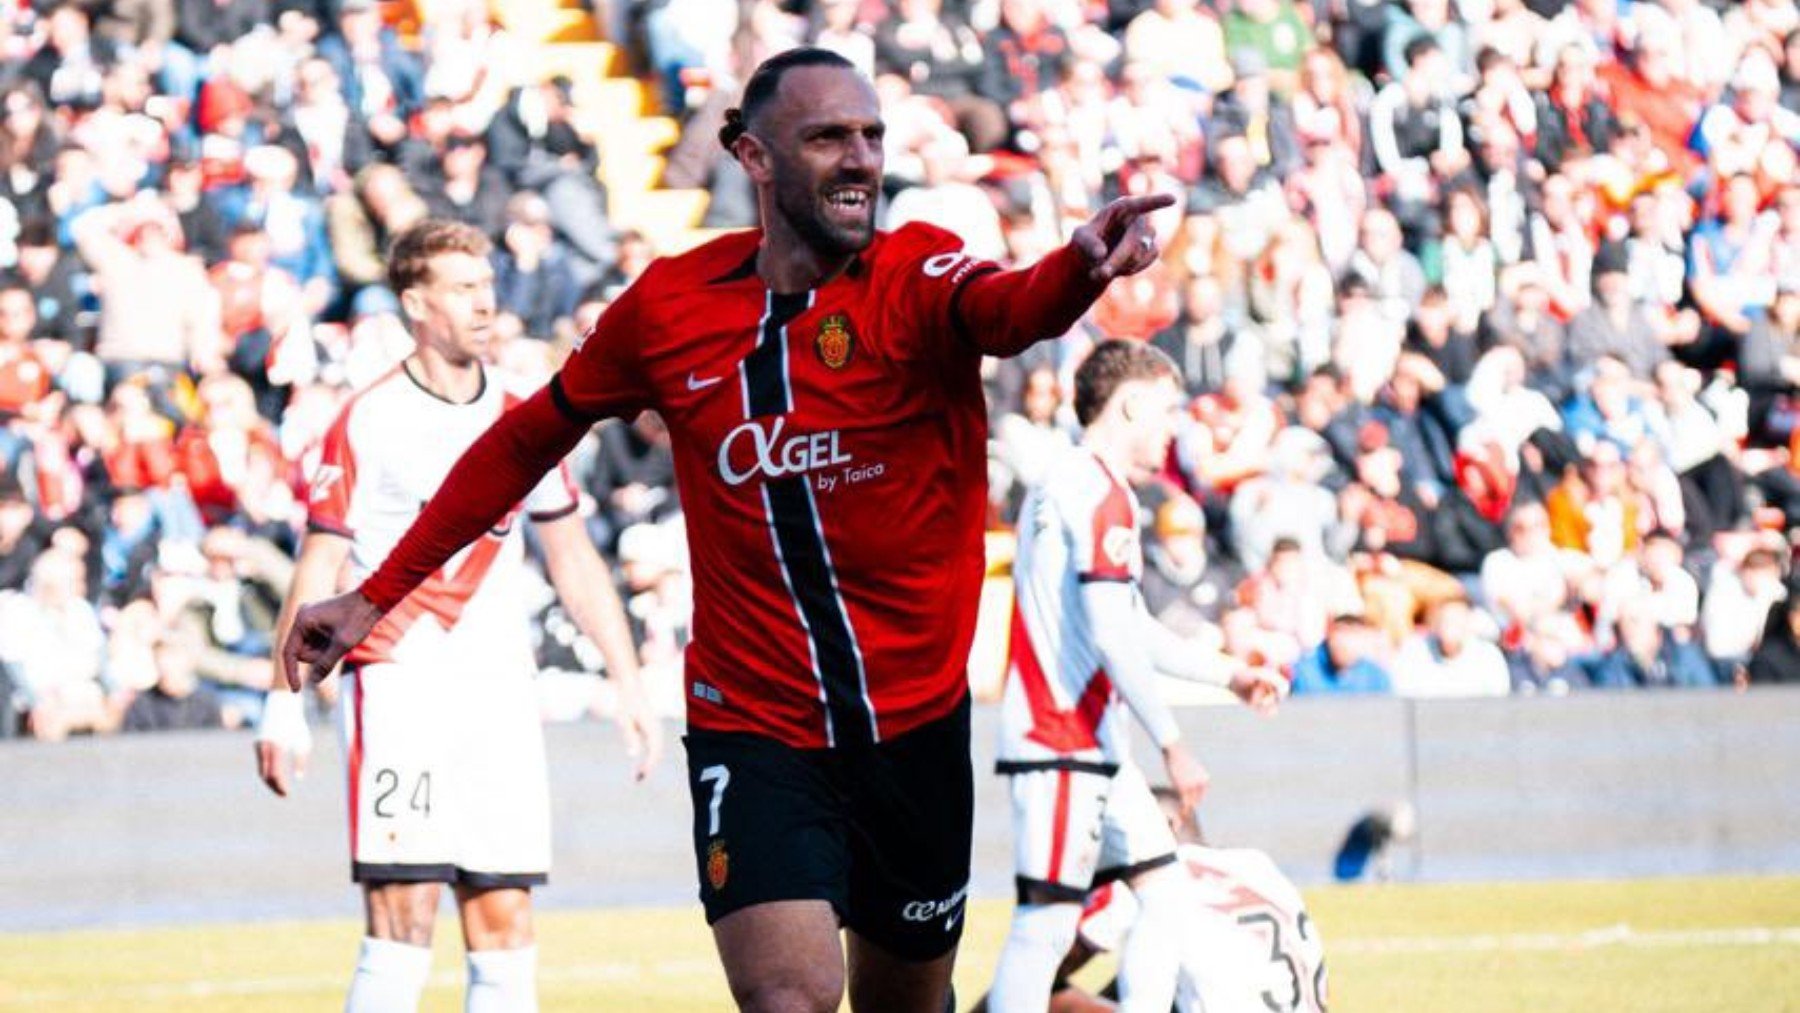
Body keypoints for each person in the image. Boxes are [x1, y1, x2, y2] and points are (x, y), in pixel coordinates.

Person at [279, 48, 1171, 1013]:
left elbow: (1007, 310)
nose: (861, 158)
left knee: (906, 1003)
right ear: (753, 156)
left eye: (870, 135)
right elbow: (521, 443)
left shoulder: (914, 271)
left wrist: (1080, 269)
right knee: (789, 998)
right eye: (828, 136)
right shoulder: (668, 306)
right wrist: (374, 593)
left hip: (912, 725)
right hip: (756, 724)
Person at [254, 219, 661, 1013]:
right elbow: (318, 566)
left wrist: (630, 680)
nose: (485, 302)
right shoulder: (367, 419)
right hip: (401, 681)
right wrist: (282, 701)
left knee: (505, 918)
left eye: (487, 284)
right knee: (402, 914)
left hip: (500, 692)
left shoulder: (524, 415)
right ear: (416, 303)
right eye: (463, 287)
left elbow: (571, 554)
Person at [990, 339, 1284, 1013]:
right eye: (1165, 410)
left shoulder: (1071, 480)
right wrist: (1173, 741)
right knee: (1044, 925)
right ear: (1127, 406)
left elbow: (1125, 619)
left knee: (1167, 892)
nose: (1173, 427)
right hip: (1060, 736)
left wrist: (1228, 674)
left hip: (1092, 743)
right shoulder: (1098, 490)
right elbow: (1113, 629)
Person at [973, 786, 1329, 1013]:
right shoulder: (1257, 864)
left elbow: (1043, 966)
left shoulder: (1151, 877)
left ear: (1168, 825)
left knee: (1037, 990)